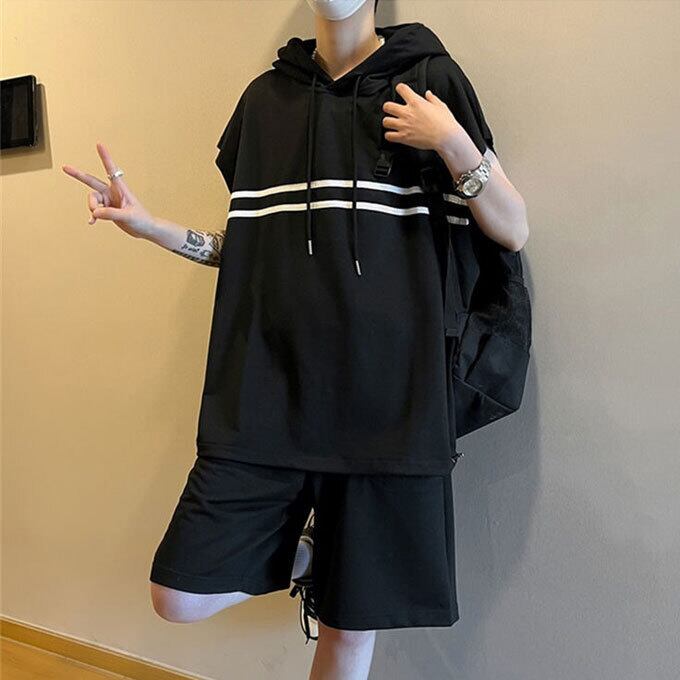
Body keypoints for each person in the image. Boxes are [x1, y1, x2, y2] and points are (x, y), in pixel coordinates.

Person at [62, 0, 528, 677]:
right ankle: (312, 556)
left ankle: (327, 563)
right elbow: (254, 254)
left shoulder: (429, 79)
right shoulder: (265, 102)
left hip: (392, 401)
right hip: (268, 396)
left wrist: (451, 140)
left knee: (350, 631)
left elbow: (512, 229)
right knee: (179, 595)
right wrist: (154, 228)